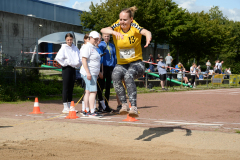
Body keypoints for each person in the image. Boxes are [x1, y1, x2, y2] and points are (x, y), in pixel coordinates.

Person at [100, 6, 152, 117]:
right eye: (121, 19)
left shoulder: (134, 26)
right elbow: (103, 30)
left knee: (128, 76)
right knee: (115, 75)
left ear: (131, 20)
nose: (122, 22)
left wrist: (148, 37)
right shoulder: (116, 26)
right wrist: (113, 33)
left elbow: (146, 32)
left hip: (136, 63)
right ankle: (124, 105)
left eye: (125, 20)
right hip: (122, 64)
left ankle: (133, 106)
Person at [55, 33, 81, 113]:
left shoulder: (75, 48)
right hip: (66, 69)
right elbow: (58, 58)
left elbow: (79, 57)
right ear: (66, 40)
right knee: (66, 87)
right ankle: (65, 106)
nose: (69, 41)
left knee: (71, 87)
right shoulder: (63, 48)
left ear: (72, 39)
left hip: (73, 68)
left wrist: (77, 64)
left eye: (70, 40)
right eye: (68, 40)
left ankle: (70, 105)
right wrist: (66, 63)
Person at [80, 31, 102, 118]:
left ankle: (86, 110)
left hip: (93, 73)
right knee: (93, 92)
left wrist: (97, 73)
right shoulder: (88, 47)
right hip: (89, 73)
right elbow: (84, 60)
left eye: (98, 39)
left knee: (88, 91)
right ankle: (92, 111)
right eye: (95, 39)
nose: (97, 41)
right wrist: (88, 73)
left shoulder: (93, 47)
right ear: (90, 38)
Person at [98, 33, 117, 112]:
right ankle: (100, 106)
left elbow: (114, 56)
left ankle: (106, 105)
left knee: (108, 87)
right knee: (101, 87)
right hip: (103, 67)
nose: (106, 37)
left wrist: (115, 66)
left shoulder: (112, 46)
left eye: (108, 36)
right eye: (105, 36)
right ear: (102, 37)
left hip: (110, 68)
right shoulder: (101, 45)